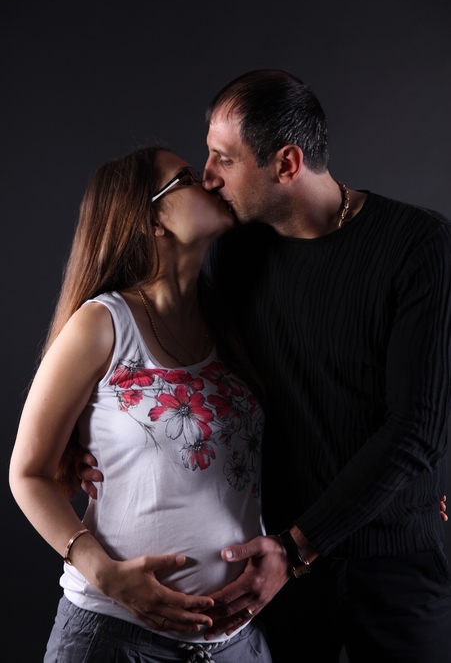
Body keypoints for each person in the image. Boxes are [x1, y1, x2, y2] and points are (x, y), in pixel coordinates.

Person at [74, 71, 451, 662]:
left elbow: (418, 426)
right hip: (271, 569)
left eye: (224, 159)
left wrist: (298, 548)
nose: (208, 176)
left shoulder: (418, 244)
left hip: (391, 557)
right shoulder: (236, 249)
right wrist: (86, 436)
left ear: (287, 163)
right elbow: (185, 369)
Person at [9, 146, 273, 662]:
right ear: (152, 219)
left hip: (235, 644)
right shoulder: (102, 323)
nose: (210, 182)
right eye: (187, 177)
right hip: (114, 638)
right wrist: (106, 574)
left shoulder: (231, 320)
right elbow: (28, 473)